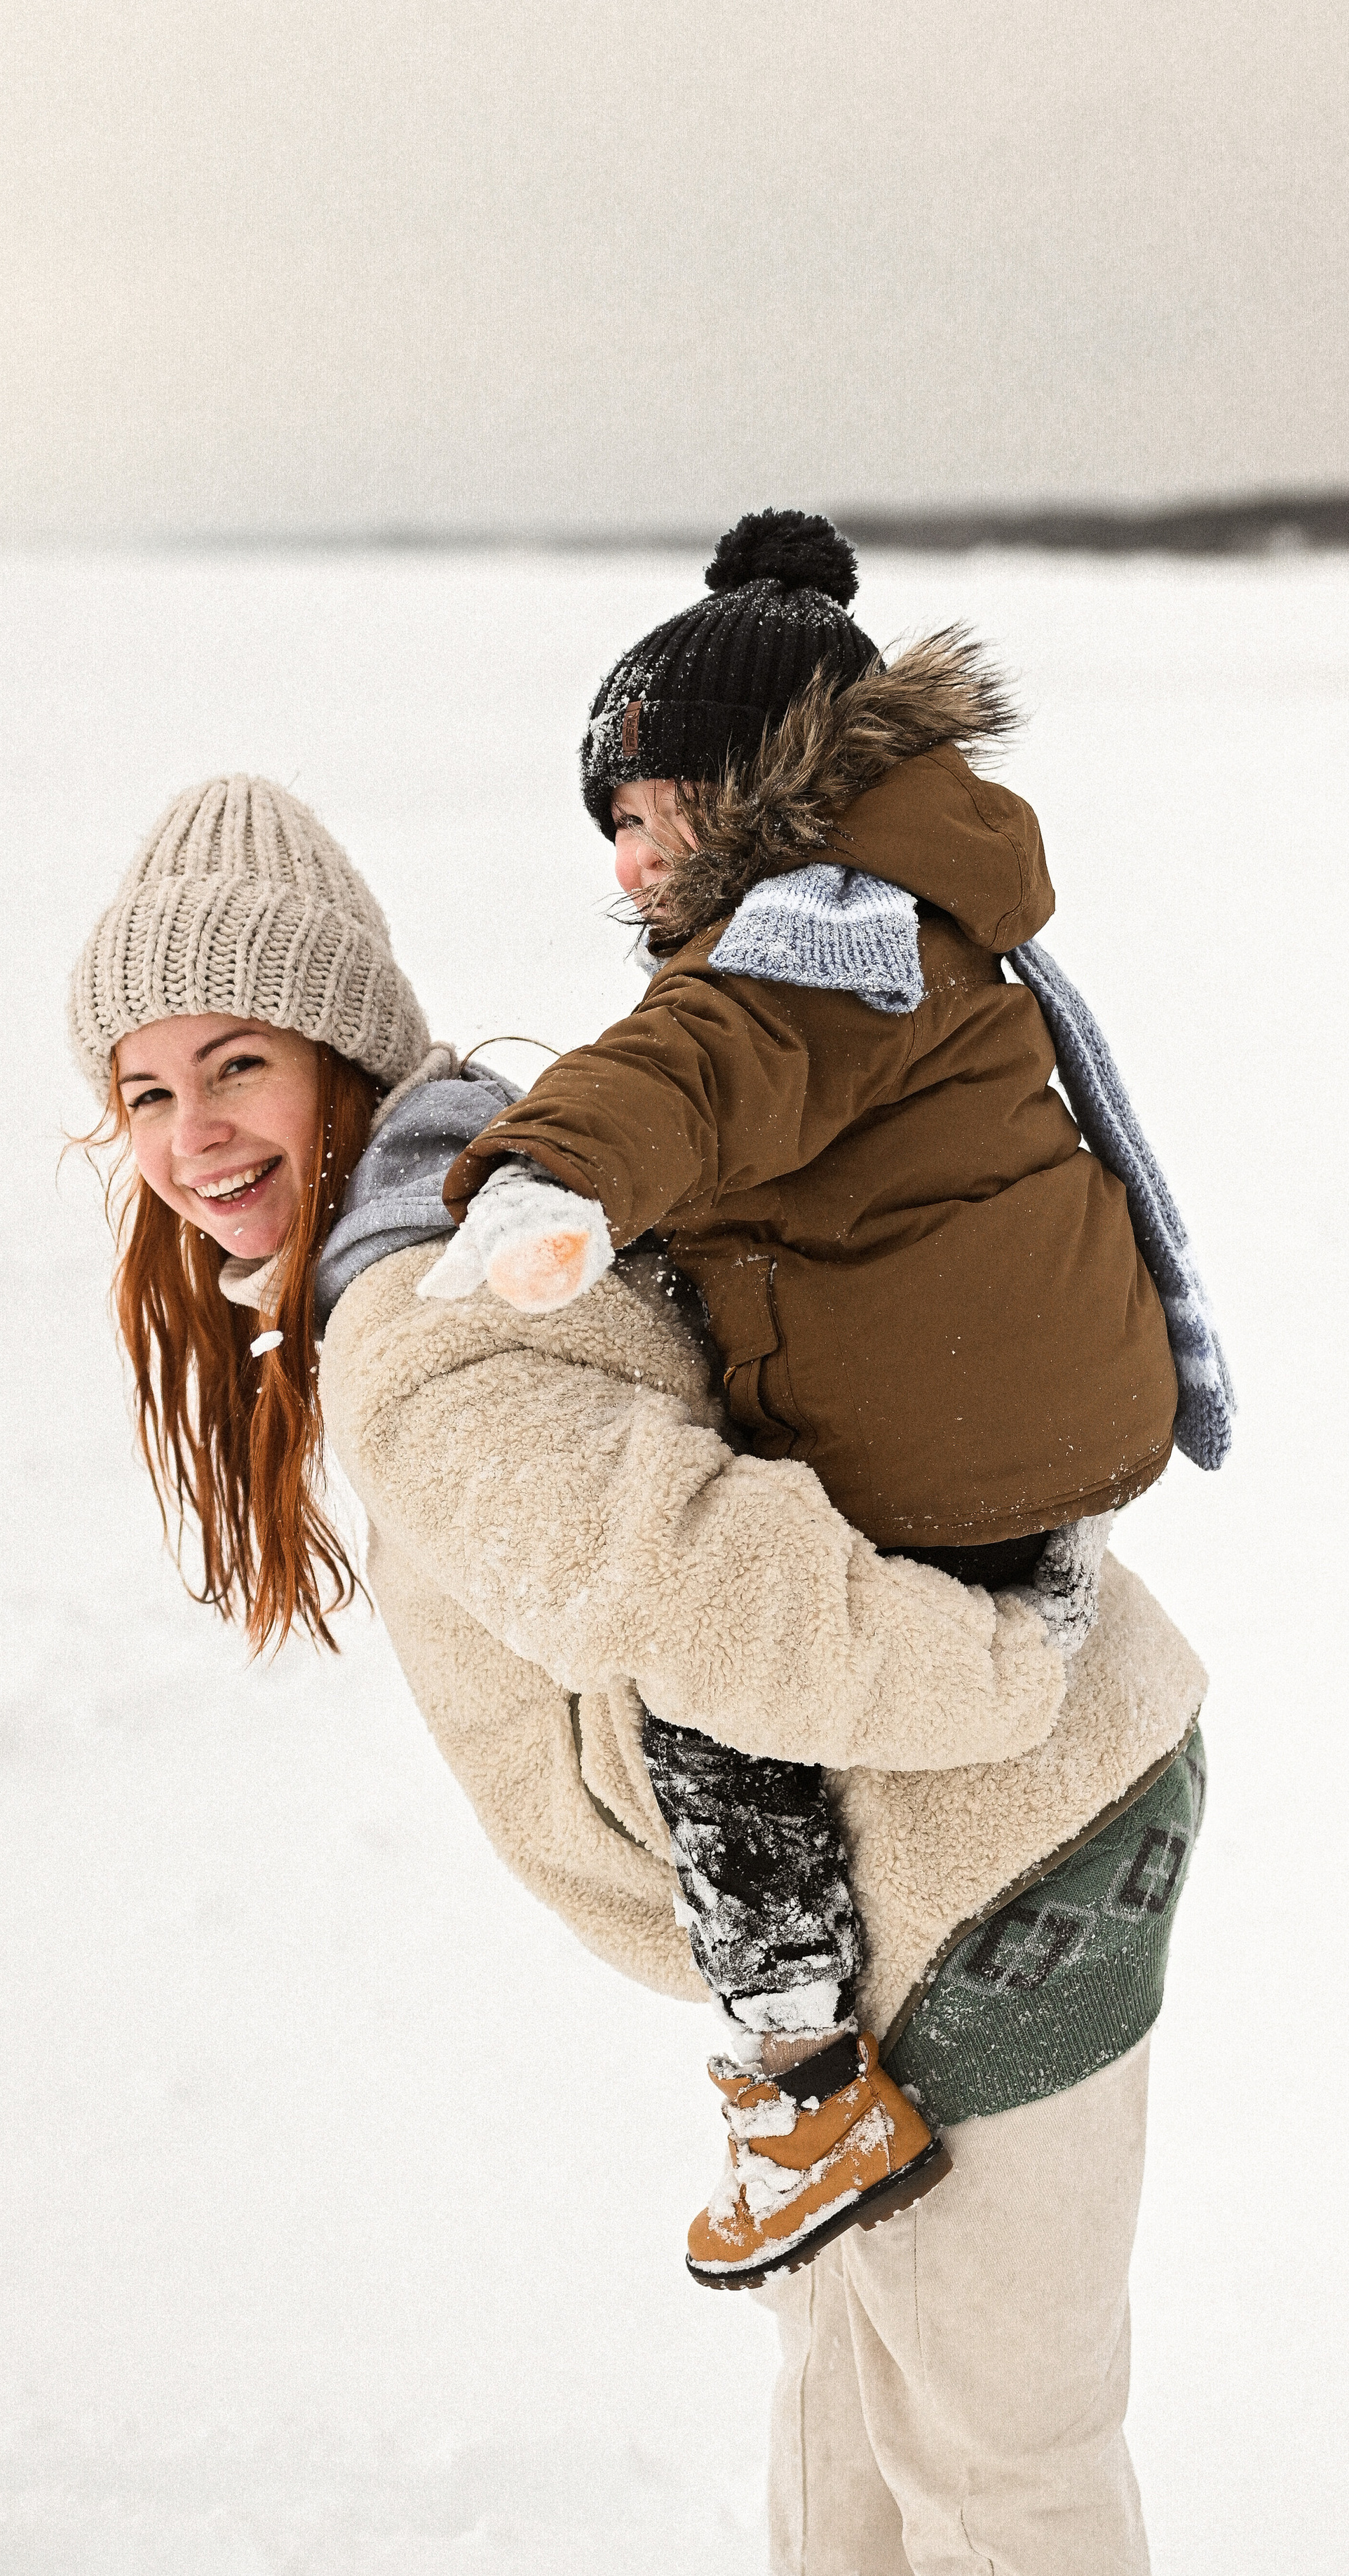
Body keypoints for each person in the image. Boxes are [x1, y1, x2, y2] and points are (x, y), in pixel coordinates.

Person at [68, 769, 1208, 2576]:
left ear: (338, 1046)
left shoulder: (420, 1331)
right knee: (857, 2405)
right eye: (150, 1090)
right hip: (886, 1896)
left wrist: (1003, 1676)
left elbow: (719, 1588)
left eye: (237, 1064)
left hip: (1001, 1843)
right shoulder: (471, 1192)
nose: (194, 1139)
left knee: (998, 2464)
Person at [425, 509, 1228, 2286]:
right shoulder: (925, 906)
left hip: (946, 1455)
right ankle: (1034, 1574)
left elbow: (707, 1065)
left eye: (636, 818)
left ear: (736, 790)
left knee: (711, 1680)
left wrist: (553, 1170)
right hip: (1058, 1420)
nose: (625, 867)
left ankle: (799, 2080)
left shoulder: (824, 938)